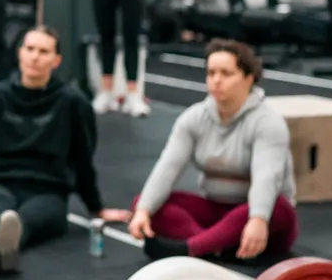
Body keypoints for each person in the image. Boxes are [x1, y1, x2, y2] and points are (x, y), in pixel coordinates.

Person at [0, 26, 123, 275]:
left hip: (48, 192)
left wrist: (95, 207)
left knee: (23, 222)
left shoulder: (73, 103)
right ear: (20, 53)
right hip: (2, 185)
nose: (35, 57)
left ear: (56, 61)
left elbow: (82, 159)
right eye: (30, 49)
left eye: (43, 52)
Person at [127, 39, 298, 261]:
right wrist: (143, 212)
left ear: (248, 78)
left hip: (261, 220)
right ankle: (214, 246)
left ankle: (190, 249)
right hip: (215, 213)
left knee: (279, 207)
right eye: (211, 73)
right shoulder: (193, 118)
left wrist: (258, 219)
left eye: (226, 74)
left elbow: (267, 178)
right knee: (146, 202)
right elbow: (168, 167)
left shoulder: (268, 122)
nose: (216, 81)